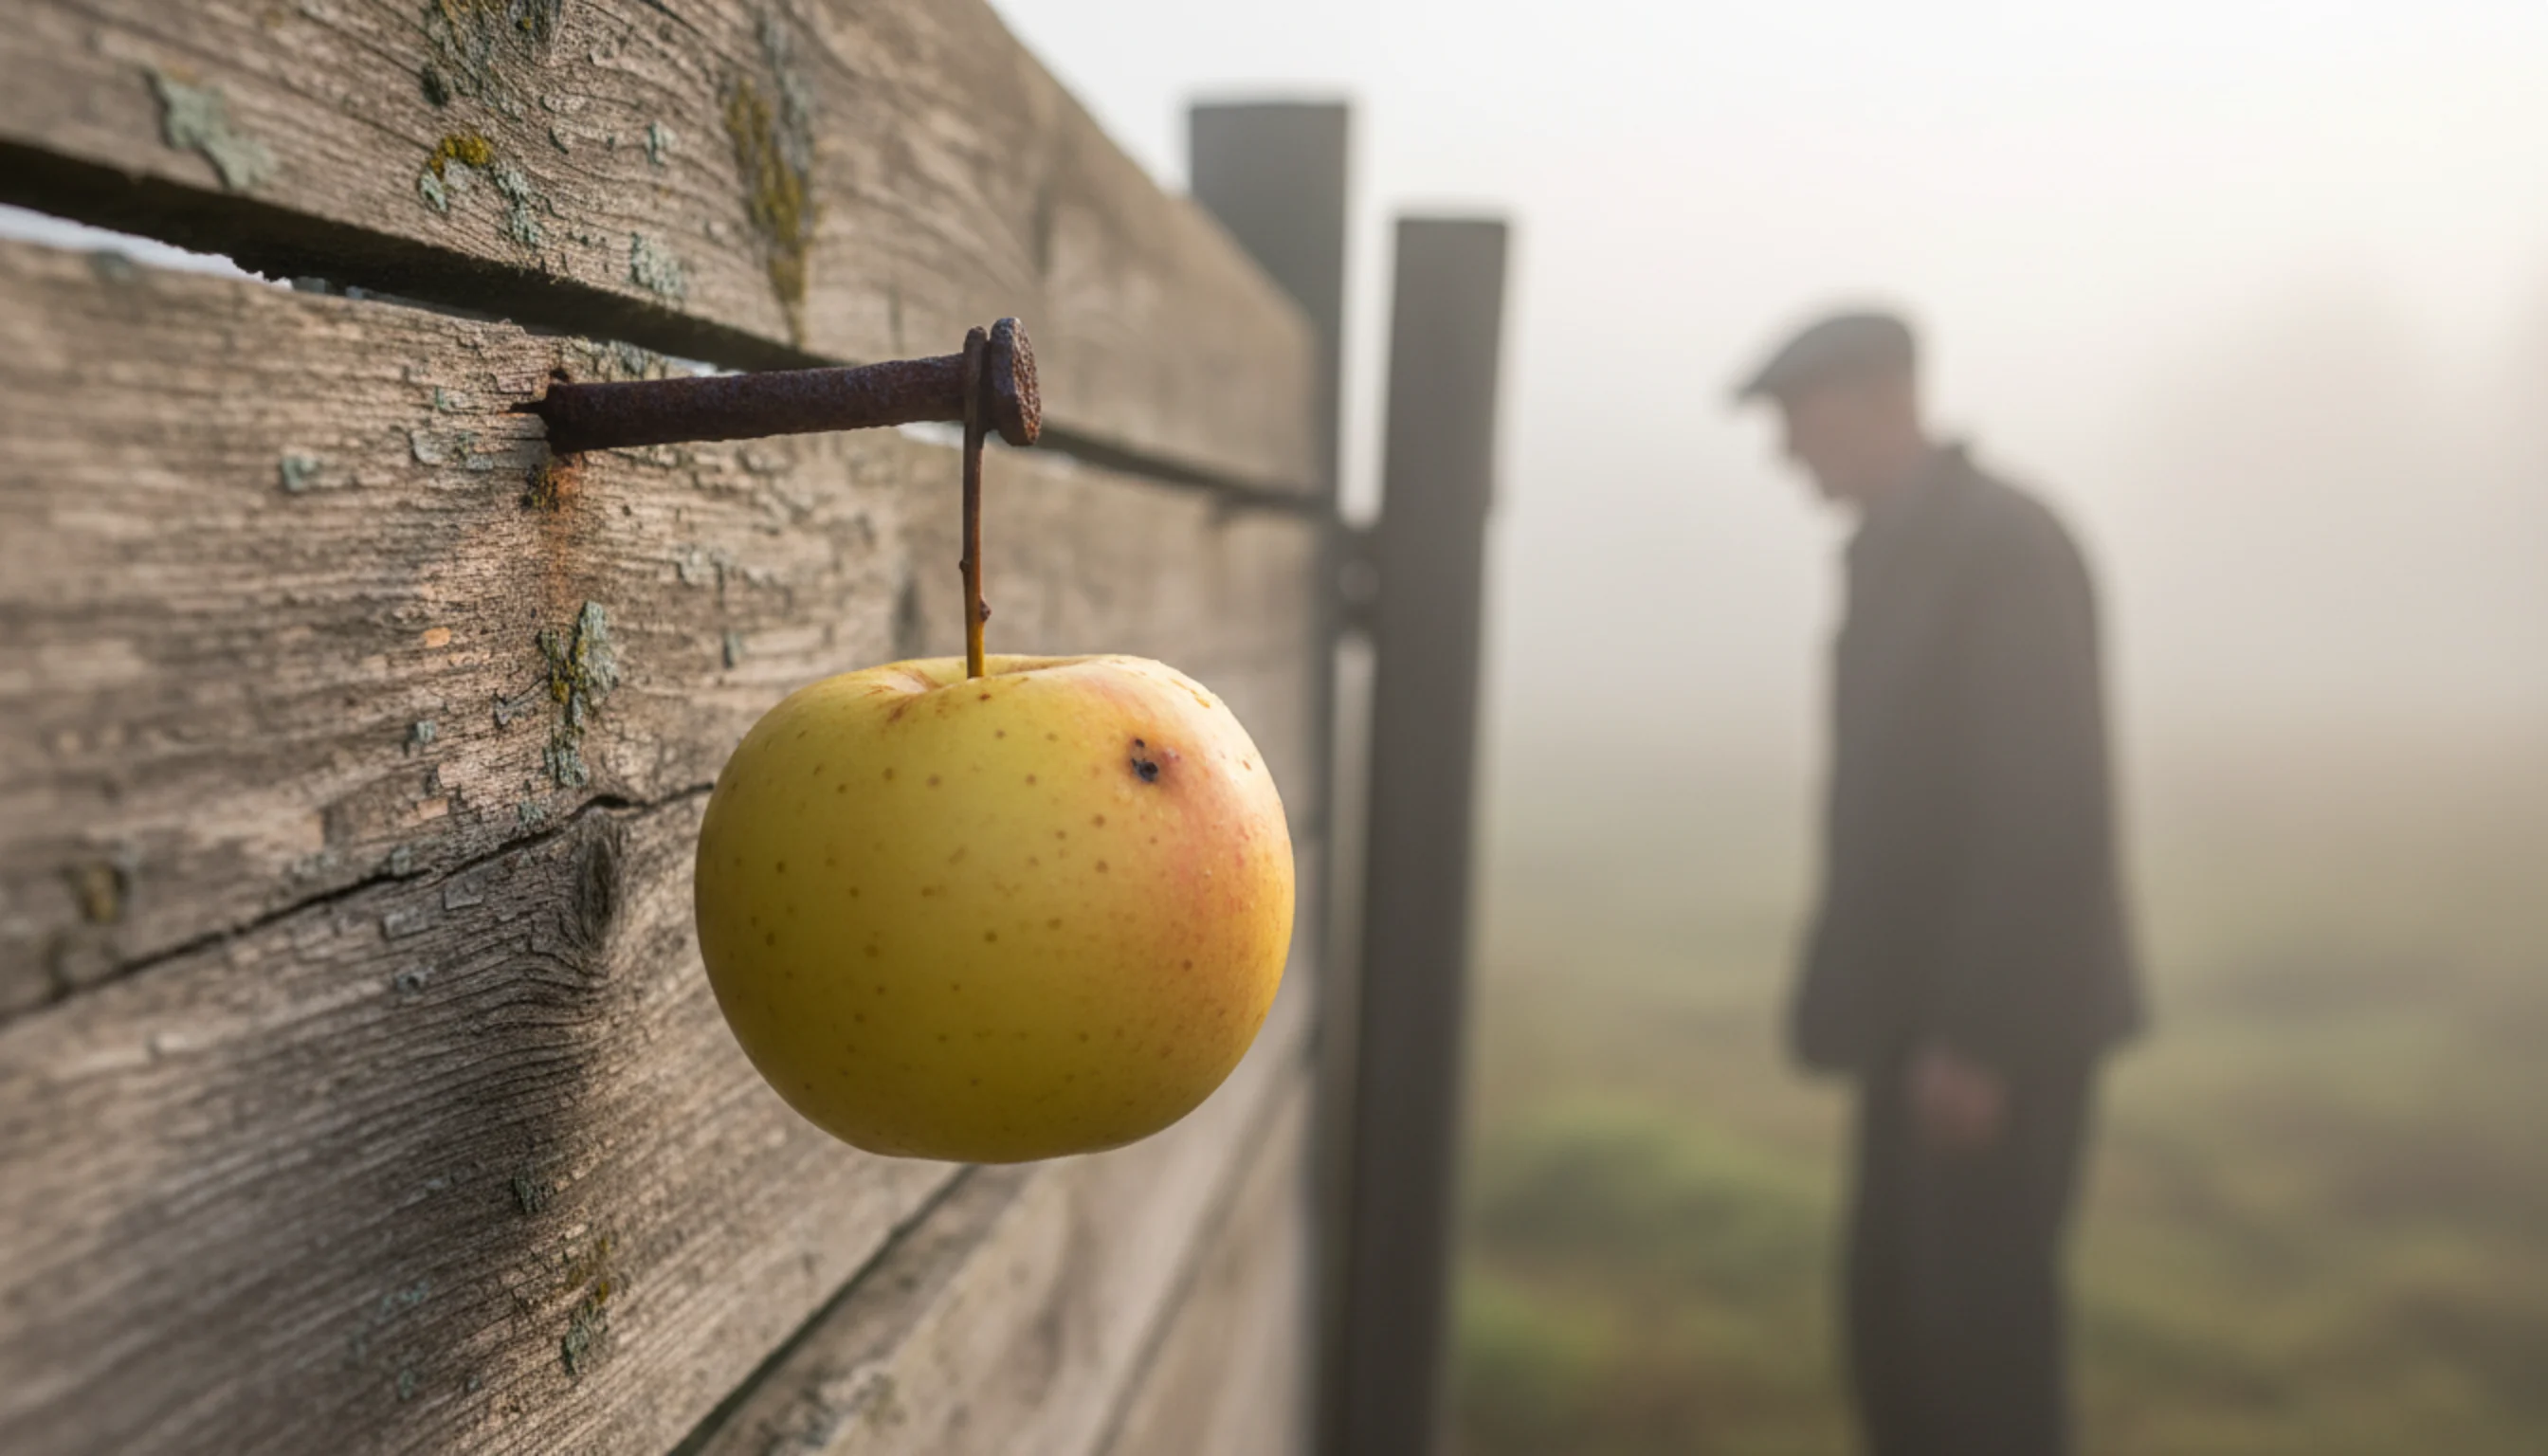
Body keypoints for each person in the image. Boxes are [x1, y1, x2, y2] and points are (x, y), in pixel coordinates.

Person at [1734, 309, 2145, 1456]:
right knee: (1897, 1338)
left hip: (1987, 1039)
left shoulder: (2001, 548)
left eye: (1798, 418)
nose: (1786, 452)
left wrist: (1979, 1035)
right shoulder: (1905, 551)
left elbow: (2044, 803)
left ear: (1880, 396)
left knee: (1980, 1357)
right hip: (1920, 1030)